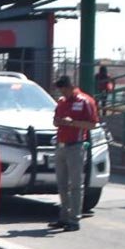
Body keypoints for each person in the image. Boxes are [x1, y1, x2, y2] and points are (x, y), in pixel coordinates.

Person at [49, 75, 99, 231]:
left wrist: (73, 123)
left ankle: (74, 219)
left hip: (75, 146)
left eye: (64, 90)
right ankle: (63, 216)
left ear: (71, 87)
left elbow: (92, 124)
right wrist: (59, 121)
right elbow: (55, 120)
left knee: (76, 184)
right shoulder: (62, 102)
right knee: (62, 184)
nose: (62, 93)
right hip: (60, 145)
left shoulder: (85, 101)